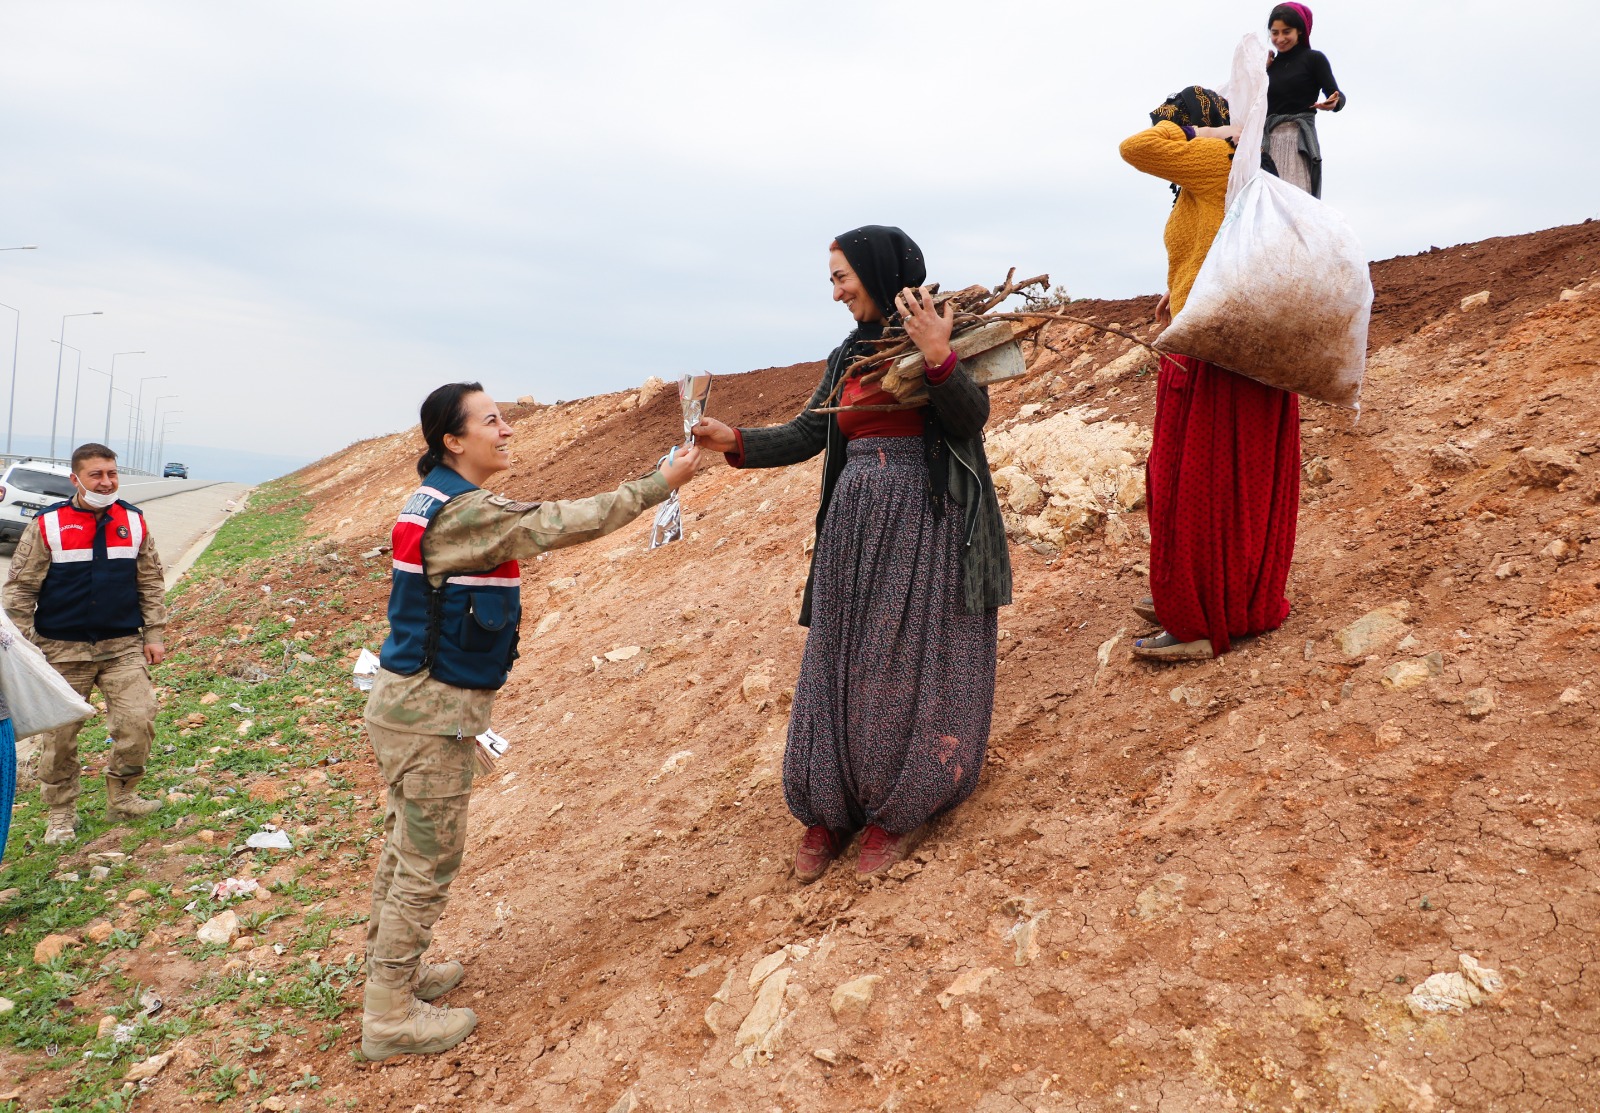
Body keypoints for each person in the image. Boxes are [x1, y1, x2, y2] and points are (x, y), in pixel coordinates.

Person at [360, 382, 700, 1061]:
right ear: (453, 440)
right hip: (430, 717)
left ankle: (393, 975)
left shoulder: (434, 500)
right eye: (492, 421)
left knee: (406, 849)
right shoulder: (465, 512)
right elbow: (560, 522)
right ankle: (389, 1015)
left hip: (407, 707)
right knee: (427, 860)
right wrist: (657, 484)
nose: (507, 430)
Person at [691, 226, 1011, 882]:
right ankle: (830, 807)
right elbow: (811, 431)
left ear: (876, 269)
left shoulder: (939, 330)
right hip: (853, 527)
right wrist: (735, 439)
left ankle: (896, 808)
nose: (835, 292)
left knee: (903, 661)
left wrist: (938, 354)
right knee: (841, 657)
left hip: (925, 522)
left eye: (842, 277)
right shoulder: (850, 355)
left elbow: (970, 417)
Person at [1120, 90, 1301, 661]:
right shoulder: (1223, 172)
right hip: (1223, 339)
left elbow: (1136, 147)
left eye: (1176, 122)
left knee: (1195, 484)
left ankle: (1200, 619)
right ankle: (1212, 598)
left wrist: (1208, 133)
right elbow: (1211, 243)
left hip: (1215, 349)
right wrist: (1174, 292)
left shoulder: (1215, 157)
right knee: (1224, 482)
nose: (1169, 131)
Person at [2, 443, 167, 846]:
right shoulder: (48, 525)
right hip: (59, 650)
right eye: (96, 475)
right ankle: (61, 812)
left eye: (112, 473)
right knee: (59, 738)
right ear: (76, 479)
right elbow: (20, 590)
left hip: (122, 646)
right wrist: (21, 651)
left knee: (137, 721)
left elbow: (150, 582)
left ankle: (122, 796)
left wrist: (155, 634)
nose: (106, 482)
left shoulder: (134, 521)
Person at [1264, 3, 1346, 197]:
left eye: (1286, 32)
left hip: (1298, 140)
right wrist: (1261, 71)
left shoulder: (1313, 59)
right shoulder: (1268, 66)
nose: (1280, 39)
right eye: (1275, 33)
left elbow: (1337, 95)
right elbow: (1251, 103)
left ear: (1299, 31)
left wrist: (1333, 102)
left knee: (1295, 198)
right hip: (1267, 142)